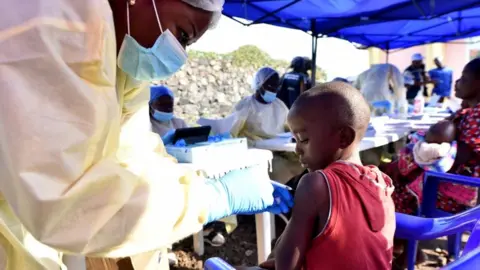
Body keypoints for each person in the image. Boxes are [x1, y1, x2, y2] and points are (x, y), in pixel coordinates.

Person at [0, 1, 293, 269]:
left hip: (29, 222)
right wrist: (213, 197)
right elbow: (65, 202)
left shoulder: (121, 55)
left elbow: (136, 156)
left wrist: (198, 184)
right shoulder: (55, 19)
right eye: (182, 34)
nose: (180, 55)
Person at [274, 82, 395, 270]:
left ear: (344, 137)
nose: (297, 149)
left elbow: (285, 266)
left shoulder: (316, 184)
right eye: (294, 140)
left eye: (304, 139)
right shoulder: (383, 183)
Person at [383, 58, 480, 266]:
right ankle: (406, 248)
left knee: (391, 190)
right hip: (459, 184)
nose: (457, 83)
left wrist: (414, 163)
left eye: (463, 78)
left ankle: (405, 250)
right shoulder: (471, 112)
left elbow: (458, 160)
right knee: (394, 173)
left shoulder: (476, 116)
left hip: (459, 193)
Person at [231, 67, 303, 184]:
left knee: (303, 159)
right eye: (270, 87)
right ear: (259, 84)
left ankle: (295, 187)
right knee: (278, 168)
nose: (273, 91)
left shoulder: (279, 106)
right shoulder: (246, 105)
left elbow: (290, 127)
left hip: (280, 148)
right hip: (257, 150)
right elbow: (232, 132)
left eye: (275, 88)